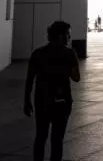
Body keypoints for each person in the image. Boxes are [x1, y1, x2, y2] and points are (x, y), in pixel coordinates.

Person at [24, 21, 80, 161]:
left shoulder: (38, 53)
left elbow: (30, 79)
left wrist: (27, 101)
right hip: (62, 101)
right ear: (61, 35)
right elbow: (76, 78)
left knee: (41, 136)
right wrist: (73, 61)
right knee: (57, 139)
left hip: (42, 100)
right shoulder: (69, 53)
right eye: (68, 34)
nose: (69, 37)